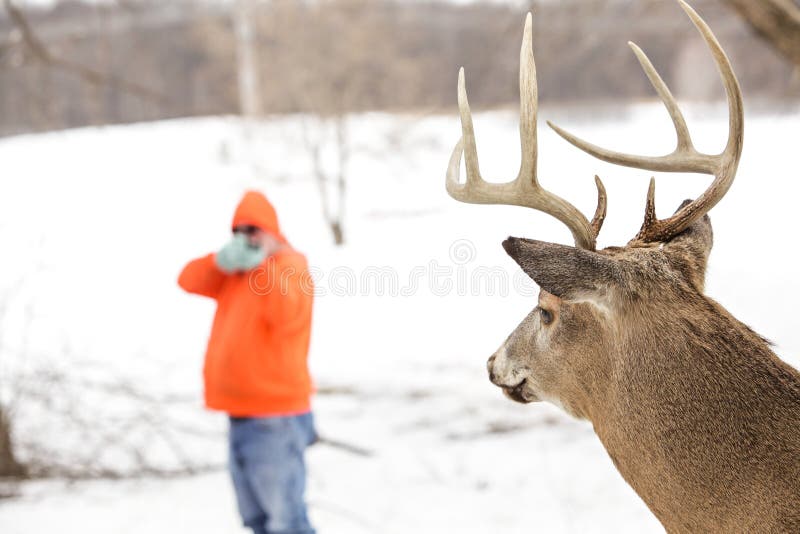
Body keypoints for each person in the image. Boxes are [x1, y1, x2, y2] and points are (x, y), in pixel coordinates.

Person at [178, 190, 316, 534]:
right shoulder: (236, 273)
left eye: (253, 230)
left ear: (272, 231)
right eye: (238, 232)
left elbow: (288, 317)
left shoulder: (290, 267)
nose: (246, 239)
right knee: (256, 520)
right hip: (239, 412)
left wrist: (265, 267)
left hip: (274, 417)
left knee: (286, 522)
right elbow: (187, 280)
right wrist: (219, 262)